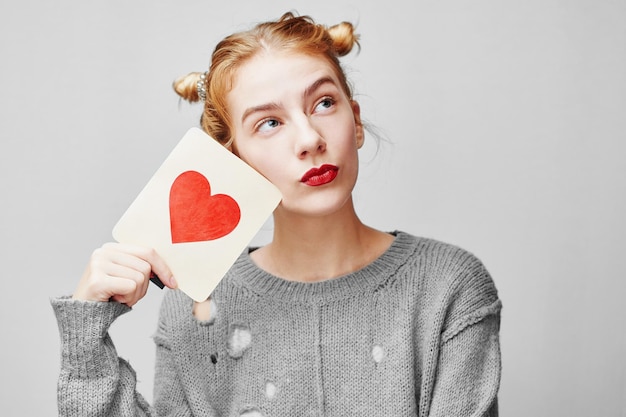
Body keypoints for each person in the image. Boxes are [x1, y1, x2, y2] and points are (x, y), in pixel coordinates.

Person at [51, 11, 502, 417]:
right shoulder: (197, 306)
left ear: (356, 121)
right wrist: (86, 338)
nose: (309, 138)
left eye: (324, 103)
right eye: (269, 123)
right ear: (235, 161)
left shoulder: (449, 287)